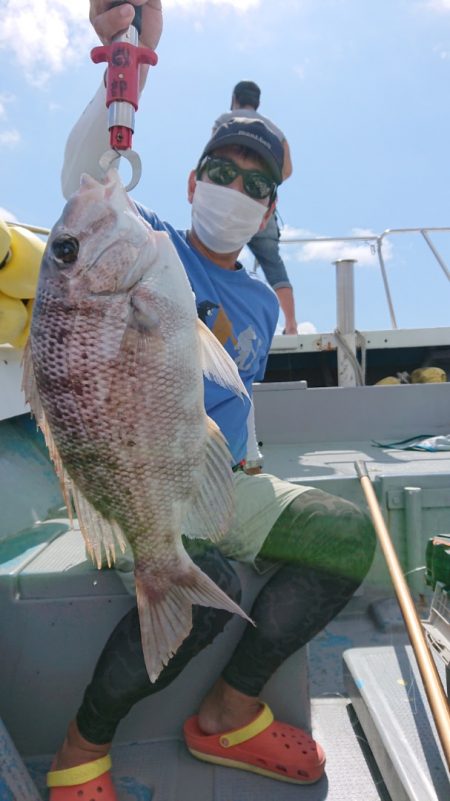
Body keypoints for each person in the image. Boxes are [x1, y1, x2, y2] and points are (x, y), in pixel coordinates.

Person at [47, 3, 376, 799]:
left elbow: (237, 396)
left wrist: (252, 459)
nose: (235, 190)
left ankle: (231, 710)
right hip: (142, 477)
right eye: (221, 174)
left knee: (348, 535)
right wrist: (131, 56)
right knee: (209, 574)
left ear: (268, 214)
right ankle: (79, 748)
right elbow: (82, 173)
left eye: (254, 185)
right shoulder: (142, 239)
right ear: (191, 182)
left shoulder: (262, 304)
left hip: (226, 473)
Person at [213, 80, 298, 334]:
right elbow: (287, 171)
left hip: (229, 205)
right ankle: (292, 325)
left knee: (219, 261)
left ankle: (216, 328)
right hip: (261, 207)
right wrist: (261, 182)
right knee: (274, 265)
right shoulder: (276, 131)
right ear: (257, 102)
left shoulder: (225, 121)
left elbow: (214, 158)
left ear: (235, 98)